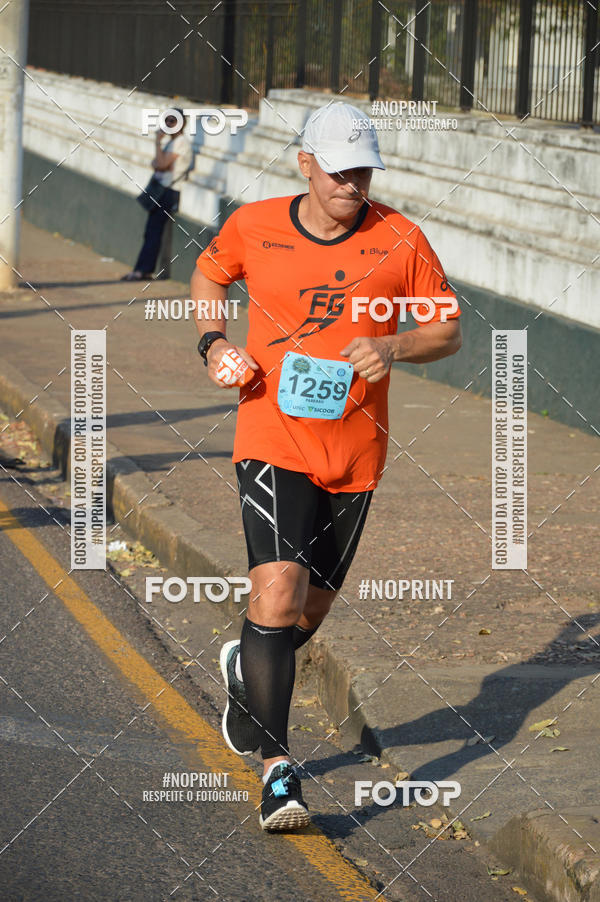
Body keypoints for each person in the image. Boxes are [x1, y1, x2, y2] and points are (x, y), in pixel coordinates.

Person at [190, 102, 462, 832]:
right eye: (340, 169)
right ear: (305, 163)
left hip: (356, 450)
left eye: (363, 170)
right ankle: (281, 772)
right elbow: (209, 276)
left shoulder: (399, 237)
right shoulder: (254, 225)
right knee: (278, 595)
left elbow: (447, 326)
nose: (352, 183)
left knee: (308, 611)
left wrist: (396, 347)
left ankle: (248, 664)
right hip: (270, 434)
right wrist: (214, 345)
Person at [122, 109, 192, 281]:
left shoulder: (180, 143)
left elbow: (159, 163)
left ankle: (142, 271)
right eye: (166, 120)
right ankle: (143, 269)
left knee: (153, 231)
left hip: (168, 192)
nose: (168, 125)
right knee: (151, 231)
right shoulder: (172, 142)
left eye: (172, 121)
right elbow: (157, 164)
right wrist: (161, 161)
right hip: (161, 189)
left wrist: (157, 144)